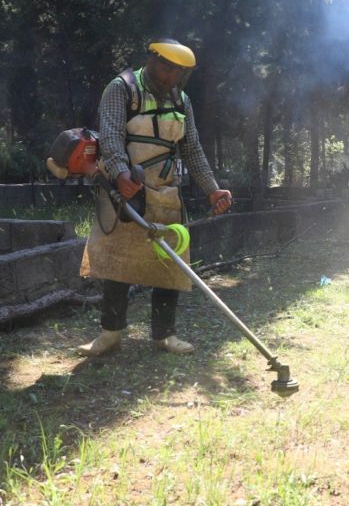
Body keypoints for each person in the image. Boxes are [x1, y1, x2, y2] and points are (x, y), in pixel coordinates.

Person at [78, 38, 233, 356]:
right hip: (124, 192)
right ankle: (110, 334)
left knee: (169, 263)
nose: (169, 77)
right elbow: (110, 134)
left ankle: (164, 335)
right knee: (117, 263)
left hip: (165, 192)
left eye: (177, 72)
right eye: (165, 67)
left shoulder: (182, 101)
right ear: (151, 60)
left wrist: (211, 188)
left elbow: (191, 148)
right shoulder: (121, 88)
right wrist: (120, 173)